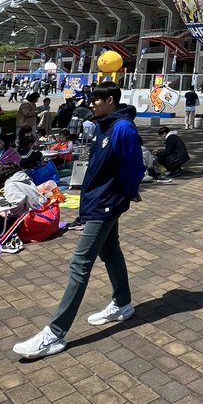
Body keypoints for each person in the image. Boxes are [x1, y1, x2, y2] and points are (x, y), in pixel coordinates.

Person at [12, 83, 144, 360]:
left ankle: (55, 333)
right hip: (97, 200)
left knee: (80, 264)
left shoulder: (122, 128)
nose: (92, 104)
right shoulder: (103, 126)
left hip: (106, 203)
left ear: (110, 100)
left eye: (97, 100)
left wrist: (128, 192)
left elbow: (134, 165)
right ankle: (122, 303)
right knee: (111, 253)